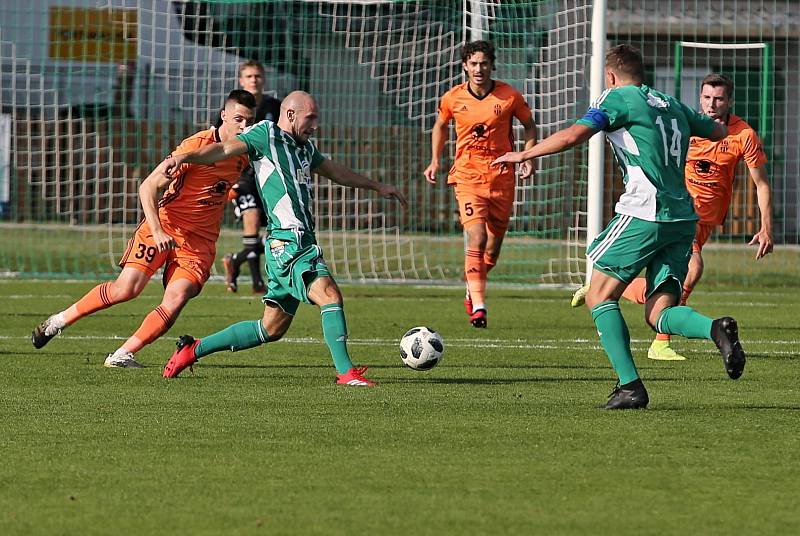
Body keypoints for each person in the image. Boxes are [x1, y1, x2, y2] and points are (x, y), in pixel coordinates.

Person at [493, 44, 745, 409]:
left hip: (646, 211)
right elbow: (718, 132)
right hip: (683, 218)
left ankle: (630, 386)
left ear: (610, 76)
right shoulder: (671, 103)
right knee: (658, 314)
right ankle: (714, 328)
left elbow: (574, 135)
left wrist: (524, 153)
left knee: (599, 295)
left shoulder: (617, 98)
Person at [161, 91, 407, 386]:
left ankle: (192, 349)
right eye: (311, 118)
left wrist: (376, 186)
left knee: (270, 328)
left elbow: (334, 171)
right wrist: (184, 156)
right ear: (290, 115)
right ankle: (346, 373)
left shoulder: (304, 148)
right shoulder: (265, 134)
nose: (315, 125)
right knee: (329, 295)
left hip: (301, 241)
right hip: (286, 241)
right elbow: (223, 150)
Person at [31, 90, 257, 367]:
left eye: (249, 121)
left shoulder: (245, 152)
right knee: (126, 289)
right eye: (239, 119)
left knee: (177, 298)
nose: (244, 127)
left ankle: (122, 355)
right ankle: (59, 321)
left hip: (198, 243)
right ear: (223, 115)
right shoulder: (194, 147)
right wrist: (158, 230)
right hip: (164, 225)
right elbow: (147, 186)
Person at [571, 73, 774, 362]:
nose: (711, 104)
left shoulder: (743, 135)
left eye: (718, 98)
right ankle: (661, 340)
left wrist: (767, 228)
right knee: (693, 269)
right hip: (676, 214)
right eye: (706, 97)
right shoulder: (683, 125)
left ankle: (604, 288)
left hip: (703, 222)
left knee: (664, 288)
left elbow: (761, 183)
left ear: (730, 101)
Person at [423, 40, 537, 328]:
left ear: (491, 65)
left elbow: (530, 125)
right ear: (465, 66)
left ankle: (471, 287)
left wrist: (528, 156)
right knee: (477, 237)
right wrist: (435, 160)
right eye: (473, 63)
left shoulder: (509, 96)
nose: (478, 69)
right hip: (467, 176)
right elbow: (440, 125)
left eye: (483, 63)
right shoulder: (452, 98)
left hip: (501, 178)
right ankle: (479, 305)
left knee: (493, 250)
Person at [214, 60, 282, 294]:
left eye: (258, 76)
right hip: (242, 176)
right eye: (249, 76)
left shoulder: (276, 106)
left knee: (276, 232)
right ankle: (257, 281)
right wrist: (226, 180)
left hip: (268, 175)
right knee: (251, 219)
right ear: (241, 80)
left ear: (264, 79)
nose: (254, 80)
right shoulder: (232, 109)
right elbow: (220, 144)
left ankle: (235, 261)